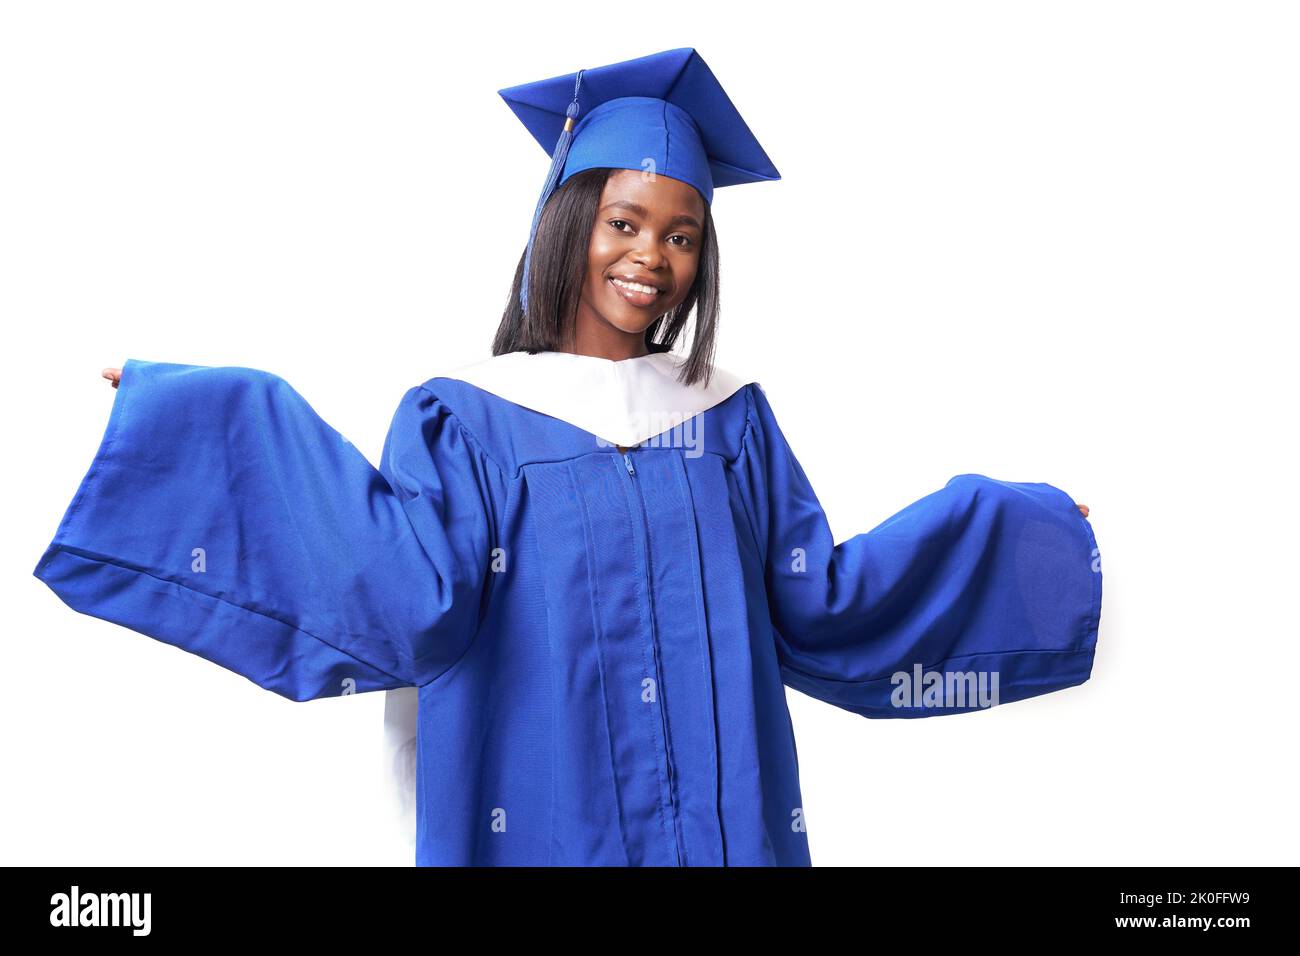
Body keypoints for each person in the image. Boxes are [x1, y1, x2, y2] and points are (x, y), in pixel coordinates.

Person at [36, 48, 1101, 866]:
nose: (652, 257)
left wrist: (1037, 540)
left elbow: (818, 598)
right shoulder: (472, 415)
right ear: (567, 224)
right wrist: (189, 421)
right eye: (625, 222)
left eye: (682, 236)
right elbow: (402, 590)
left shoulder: (727, 420)